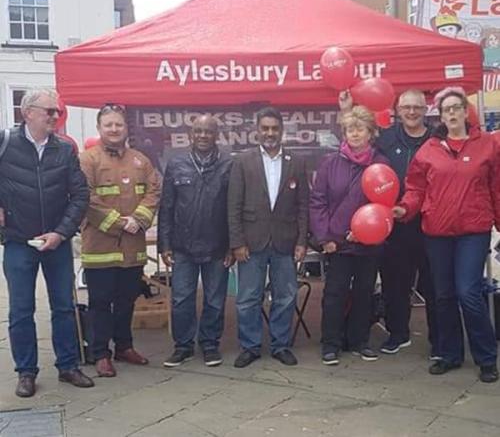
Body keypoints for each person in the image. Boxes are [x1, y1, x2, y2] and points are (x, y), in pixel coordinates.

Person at [394, 87, 500, 383]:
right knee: (442, 295)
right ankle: (449, 353)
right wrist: (405, 208)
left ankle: (486, 357)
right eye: (446, 110)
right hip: (437, 232)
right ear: (440, 116)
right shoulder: (429, 149)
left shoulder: (488, 146)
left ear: (466, 112)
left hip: (473, 231)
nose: (452, 114)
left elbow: (496, 187)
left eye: (456, 108)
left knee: (468, 292)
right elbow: (416, 189)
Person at [0, 89, 94, 398]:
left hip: (57, 242)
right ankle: (26, 372)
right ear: (27, 113)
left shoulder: (64, 150)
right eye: (49, 111)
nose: (56, 116)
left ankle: (67, 365)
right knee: (21, 311)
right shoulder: (4, 143)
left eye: (58, 112)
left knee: (64, 307)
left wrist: (61, 233)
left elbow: (80, 195)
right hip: (18, 241)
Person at [340, 90, 439, 358]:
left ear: (425, 109)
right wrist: (348, 109)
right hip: (393, 222)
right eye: (406, 107)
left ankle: (439, 341)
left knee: (433, 285)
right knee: (396, 283)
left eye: (417, 107)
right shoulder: (386, 137)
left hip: (431, 222)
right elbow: (355, 141)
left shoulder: (436, 138)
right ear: (397, 109)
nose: (411, 112)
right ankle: (398, 334)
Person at [79, 103, 161, 378]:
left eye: (119, 125)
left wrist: (138, 219)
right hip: (100, 248)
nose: (114, 129)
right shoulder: (87, 160)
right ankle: (100, 353)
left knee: (127, 300)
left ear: (127, 128)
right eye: (108, 125)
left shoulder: (141, 160)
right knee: (100, 302)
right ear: (99, 128)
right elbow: (85, 197)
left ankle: (124, 346)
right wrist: (119, 222)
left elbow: (153, 192)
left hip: (132, 248)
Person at [228, 107, 309, 368]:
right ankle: (250, 346)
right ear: (257, 131)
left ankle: (280, 345)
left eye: (275, 128)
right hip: (251, 242)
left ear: (282, 131)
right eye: (265, 128)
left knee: (285, 296)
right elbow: (234, 206)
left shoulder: (296, 162)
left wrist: (301, 241)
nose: (270, 133)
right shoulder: (242, 161)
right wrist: (237, 242)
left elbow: (303, 205)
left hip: (285, 241)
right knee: (248, 297)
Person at [310, 105, 389, 365]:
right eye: (349, 129)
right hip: (338, 243)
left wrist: (369, 229)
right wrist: (325, 237)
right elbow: (318, 201)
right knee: (335, 293)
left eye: (360, 128)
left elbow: (386, 201)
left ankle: (360, 341)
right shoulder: (329, 163)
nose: (354, 133)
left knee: (365, 292)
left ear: (371, 133)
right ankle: (330, 343)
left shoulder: (381, 165)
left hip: (368, 242)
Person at [158, 115, 233, 368]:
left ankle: (210, 344)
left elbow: (234, 209)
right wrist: (164, 245)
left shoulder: (227, 164)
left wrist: (233, 245)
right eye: (198, 131)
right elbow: (166, 206)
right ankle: (183, 346)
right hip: (182, 247)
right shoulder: (177, 164)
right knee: (181, 299)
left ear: (217, 135)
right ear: (190, 134)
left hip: (217, 247)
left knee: (214, 299)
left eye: (208, 131)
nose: (203, 135)